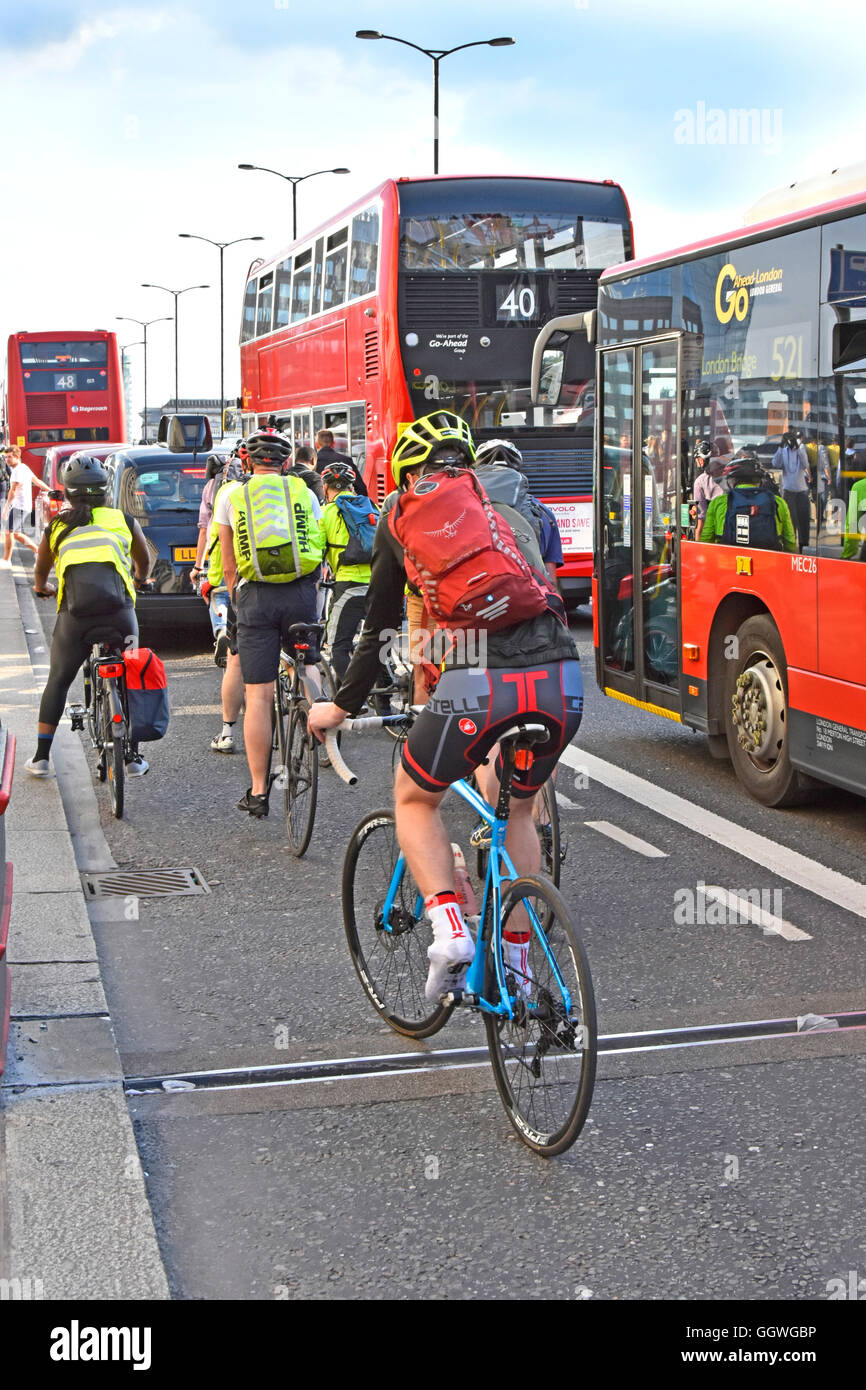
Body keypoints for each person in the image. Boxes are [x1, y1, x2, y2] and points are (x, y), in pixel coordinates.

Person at [309, 411, 582, 1003]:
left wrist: (339, 705)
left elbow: (376, 625)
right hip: (562, 674)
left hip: (479, 683)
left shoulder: (403, 514)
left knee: (413, 797)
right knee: (517, 809)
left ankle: (451, 931)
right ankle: (515, 965)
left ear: (407, 472)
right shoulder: (509, 508)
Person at [216, 430, 325, 816]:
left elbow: (229, 565)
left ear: (248, 462)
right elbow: (319, 547)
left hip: (256, 598)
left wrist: (237, 598)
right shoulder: (305, 493)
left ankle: (260, 791)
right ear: (284, 462)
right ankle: (323, 738)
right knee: (307, 665)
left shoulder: (230, 495)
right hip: (300, 594)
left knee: (259, 696)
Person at [26, 455, 152, 776]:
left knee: (57, 680)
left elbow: (40, 573)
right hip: (120, 614)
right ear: (105, 490)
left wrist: (43, 588)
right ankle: (133, 756)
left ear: (67, 493)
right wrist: (138, 580)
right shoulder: (123, 520)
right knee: (133, 672)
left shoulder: (56, 527)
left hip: (76, 618)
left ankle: (41, 758)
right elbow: (144, 563)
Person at [200, 454, 247, 752]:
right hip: (293, 590)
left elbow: (211, 535)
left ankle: (228, 733)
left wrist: (235, 600)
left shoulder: (225, 494)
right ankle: (319, 726)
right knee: (299, 662)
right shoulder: (297, 492)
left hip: (247, 589)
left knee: (237, 662)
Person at [701, 451, 797, 552]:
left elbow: (706, 540)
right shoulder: (777, 502)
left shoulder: (718, 503)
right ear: (759, 481)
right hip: (768, 563)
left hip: (726, 561)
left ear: (732, 482)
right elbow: (790, 542)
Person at [2, 445, 51, 561]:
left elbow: (13, 490)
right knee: (15, 533)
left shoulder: (17, 471)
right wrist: (50, 490)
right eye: (6, 457)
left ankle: (6, 560)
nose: (7, 460)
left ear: (17, 457)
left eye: (9, 457)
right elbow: (37, 481)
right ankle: (37, 550)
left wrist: (6, 508)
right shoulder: (24, 467)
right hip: (25, 506)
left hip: (20, 506)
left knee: (8, 532)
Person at [772, 429, 811, 551]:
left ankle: (804, 546)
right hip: (789, 491)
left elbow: (805, 464)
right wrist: (780, 447)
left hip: (802, 491)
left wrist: (798, 447)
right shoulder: (783, 451)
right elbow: (775, 464)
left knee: (804, 521)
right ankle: (792, 547)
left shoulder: (801, 448)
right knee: (791, 521)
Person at [314, 428, 368, 498]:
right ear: (333, 444)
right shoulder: (346, 460)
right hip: (344, 504)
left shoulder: (313, 463)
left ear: (316, 445)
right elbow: (361, 489)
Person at [692, 441, 725, 540]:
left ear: (702, 460)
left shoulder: (700, 482)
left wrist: (698, 547)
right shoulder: (731, 475)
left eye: (698, 460)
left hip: (715, 534)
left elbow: (700, 518)